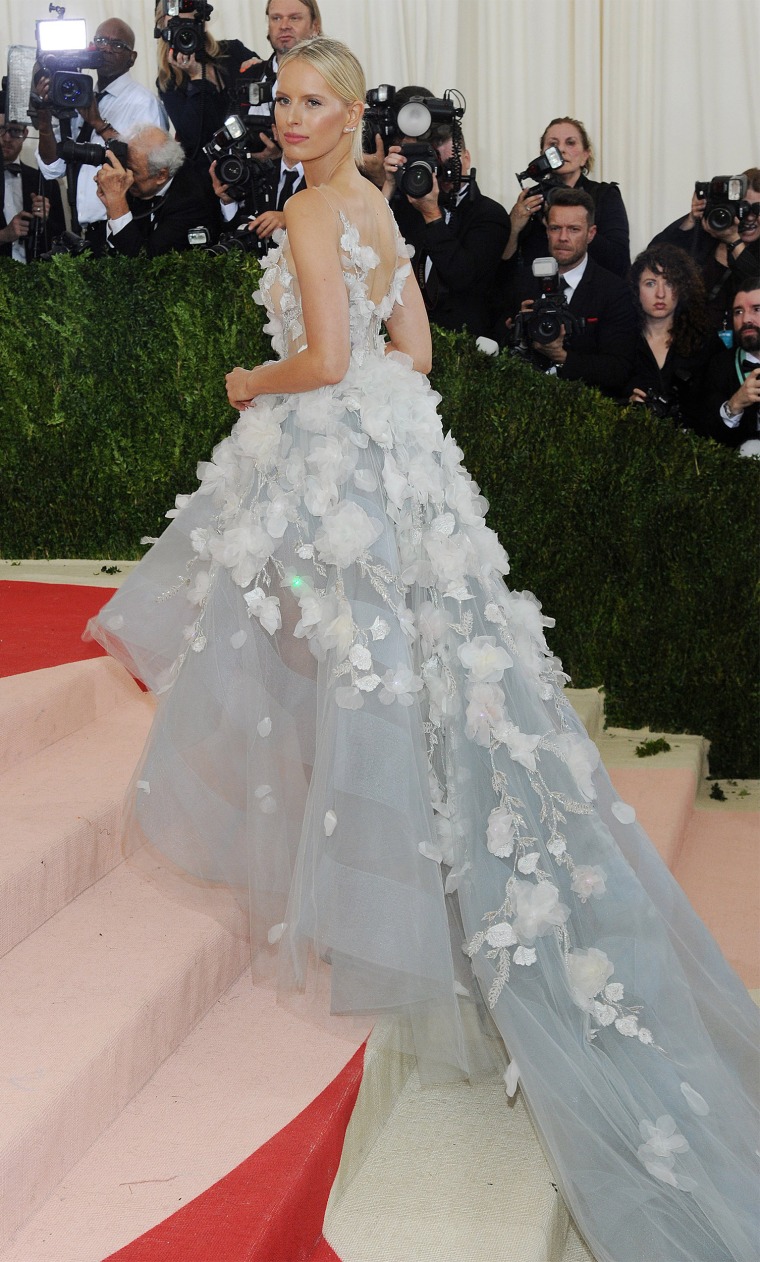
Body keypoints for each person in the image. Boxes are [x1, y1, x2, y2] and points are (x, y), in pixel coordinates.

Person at [85, 37, 759, 1262]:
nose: (288, 117)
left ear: (349, 114)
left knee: (314, 662)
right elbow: (420, 357)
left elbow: (332, 361)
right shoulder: (379, 209)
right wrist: (371, 439)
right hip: (388, 476)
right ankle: (388, 896)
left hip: (330, 467)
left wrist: (253, 378)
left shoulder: (303, 216)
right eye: (281, 100)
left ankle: (354, 897)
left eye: (310, 101)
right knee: (395, 681)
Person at [35, 18, 168, 254]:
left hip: (123, 229)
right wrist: (44, 125)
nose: (106, 48)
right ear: (90, 46)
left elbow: (151, 170)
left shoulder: (143, 102)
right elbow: (52, 168)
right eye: (101, 41)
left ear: (132, 57)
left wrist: (98, 123)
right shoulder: (75, 93)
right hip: (81, 233)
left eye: (117, 45)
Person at [498, 188, 637, 397]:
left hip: (585, 411)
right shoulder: (524, 281)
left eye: (573, 229)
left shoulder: (614, 291)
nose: (563, 237)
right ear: (546, 231)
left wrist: (563, 357)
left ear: (591, 234)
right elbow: (496, 341)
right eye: (555, 228)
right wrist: (515, 330)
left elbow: (619, 369)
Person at [383, 127, 511, 337]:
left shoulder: (490, 214)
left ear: (466, 159)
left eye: (448, 165)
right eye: (433, 164)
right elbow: (369, 247)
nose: (439, 173)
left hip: (462, 344)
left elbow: (462, 277)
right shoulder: (407, 206)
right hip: (405, 334)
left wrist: (432, 215)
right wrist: (388, 185)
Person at [503, 116, 630, 279]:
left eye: (570, 143)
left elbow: (619, 261)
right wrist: (513, 227)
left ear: (585, 155)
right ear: (542, 154)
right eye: (552, 144)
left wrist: (576, 226)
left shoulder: (604, 195)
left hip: (592, 290)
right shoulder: (532, 199)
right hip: (537, 290)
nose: (561, 150)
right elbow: (506, 266)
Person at [651, 168, 760, 333]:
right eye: (743, 208)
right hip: (693, 338)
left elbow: (756, 283)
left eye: (757, 210)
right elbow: (653, 257)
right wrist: (690, 219)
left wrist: (733, 241)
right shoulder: (707, 232)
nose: (750, 217)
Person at [153, 0, 259, 159]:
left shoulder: (233, 51)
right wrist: (196, 78)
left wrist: (261, 69)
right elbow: (192, 141)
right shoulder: (168, 81)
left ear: (202, 23)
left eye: (189, 23)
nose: (184, 31)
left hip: (253, 159)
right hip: (208, 172)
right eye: (176, 24)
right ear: (162, 29)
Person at [623, 243, 712, 431]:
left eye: (669, 283)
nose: (660, 294)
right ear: (636, 289)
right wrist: (626, 405)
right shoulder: (621, 341)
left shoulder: (703, 341)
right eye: (650, 283)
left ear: (683, 289)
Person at [95, 125, 220, 257]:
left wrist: (117, 203)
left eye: (134, 171)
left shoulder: (192, 200)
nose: (126, 177)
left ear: (161, 175)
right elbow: (112, 252)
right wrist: (112, 207)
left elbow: (146, 262)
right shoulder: (137, 183)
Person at [704, 278, 760, 450]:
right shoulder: (719, 365)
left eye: (756, 309)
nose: (746, 320)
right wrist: (734, 404)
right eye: (738, 312)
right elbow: (709, 438)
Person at [0, 115, 65, 260]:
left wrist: (45, 221)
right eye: (1, 129)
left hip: (34, 276)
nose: (7, 138)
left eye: (15, 131)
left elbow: (60, 240)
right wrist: (4, 235)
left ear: (25, 134)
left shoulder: (45, 182)